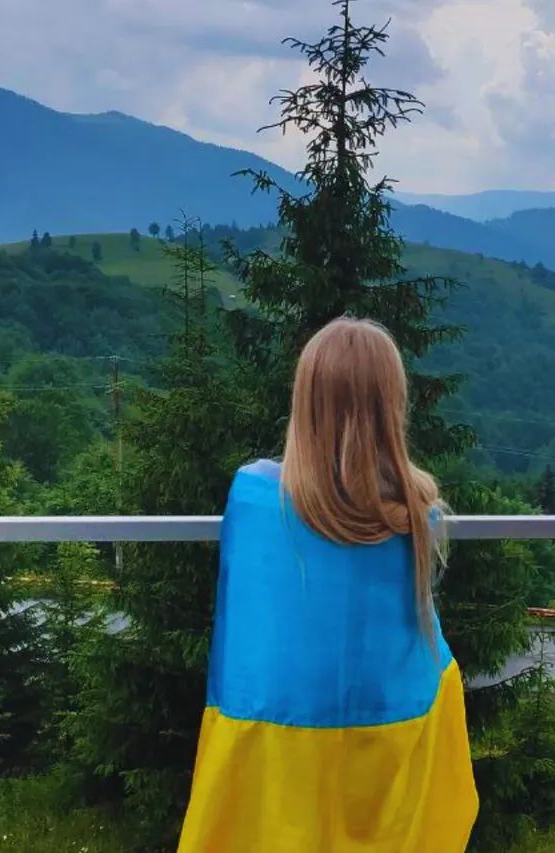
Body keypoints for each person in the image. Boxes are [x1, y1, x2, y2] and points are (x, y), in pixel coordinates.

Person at [178, 318, 479, 852]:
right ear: (392, 406)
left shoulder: (251, 497)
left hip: (271, 751)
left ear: (305, 401)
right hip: (388, 743)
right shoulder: (417, 514)